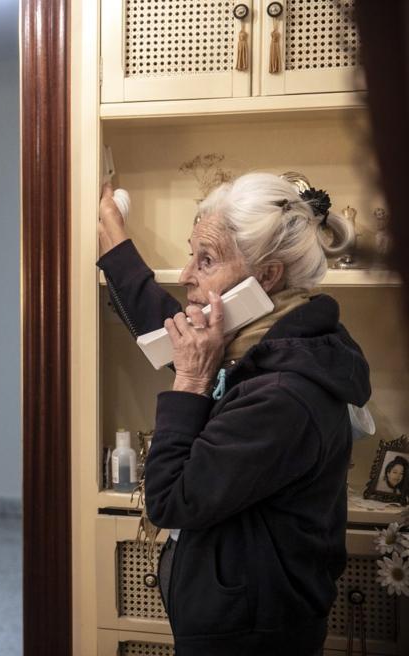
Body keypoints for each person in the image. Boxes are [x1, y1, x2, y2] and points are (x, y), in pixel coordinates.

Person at [97, 172, 371, 655]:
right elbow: (172, 331)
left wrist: (192, 380)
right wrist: (115, 240)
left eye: (205, 260)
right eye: (190, 254)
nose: (186, 276)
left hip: (250, 635)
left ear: (265, 277)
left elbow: (171, 500)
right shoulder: (272, 341)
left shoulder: (283, 393)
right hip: (243, 618)